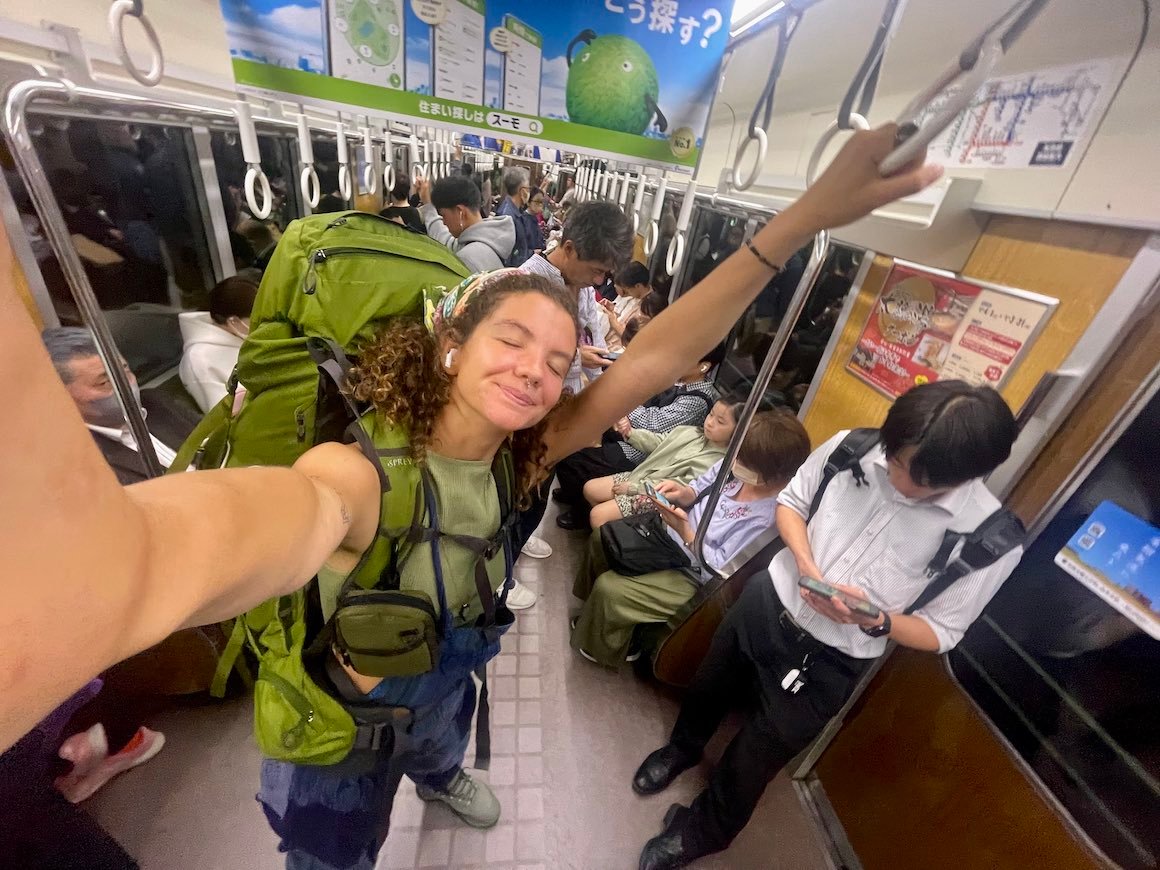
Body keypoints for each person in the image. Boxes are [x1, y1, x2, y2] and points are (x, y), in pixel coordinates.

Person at [0, 123, 942, 777]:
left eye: (559, 359)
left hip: (450, 664)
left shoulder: (524, 456)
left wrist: (799, 221)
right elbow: (230, 534)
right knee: (339, 833)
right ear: (450, 341)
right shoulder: (354, 476)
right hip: (344, 718)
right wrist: (125, 567)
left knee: (443, 745)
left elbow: (659, 353)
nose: (538, 370)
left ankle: (445, 769)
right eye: (511, 342)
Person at [632, 380, 1023, 870]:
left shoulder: (988, 540)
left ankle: (699, 834)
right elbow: (792, 504)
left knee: (756, 759)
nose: (898, 481)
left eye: (920, 482)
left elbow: (943, 630)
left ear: (971, 475)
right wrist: (807, 565)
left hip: (834, 657)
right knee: (710, 685)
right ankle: (681, 749)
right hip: (769, 599)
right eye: (896, 460)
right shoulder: (852, 447)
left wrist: (878, 620)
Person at [572, 408, 811, 667]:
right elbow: (696, 490)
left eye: (745, 461)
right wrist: (680, 493)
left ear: (775, 472)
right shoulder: (734, 466)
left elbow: (717, 570)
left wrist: (686, 533)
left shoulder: (770, 517)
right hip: (670, 536)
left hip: (693, 570)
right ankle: (595, 617)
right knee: (604, 539)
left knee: (612, 589)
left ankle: (611, 645)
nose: (735, 463)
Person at [514, 200, 636, 560]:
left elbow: (594, 341)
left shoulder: (580, 288)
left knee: (539, 484)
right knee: (519, 482)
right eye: (596, 271)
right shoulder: (527, 284)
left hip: (562, 408)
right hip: (528, 410)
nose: (600, 282)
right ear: (568, 249)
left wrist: (605, 402)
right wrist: (575, 356)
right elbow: (520, 356)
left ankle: (520, 536)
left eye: (605, 275)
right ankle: (505, 554)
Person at [554, 342, 727, 531]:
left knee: (574, 458)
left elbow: (653, 423)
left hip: (642, 455)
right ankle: (574, 493)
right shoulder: (683, 383)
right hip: (637, 439)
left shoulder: (697, 401)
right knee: (576, 443)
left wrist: (626, 405)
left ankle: (581, 513)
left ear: (703, 366)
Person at [42, 327, 184, 484]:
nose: (126, 386)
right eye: (105, 382)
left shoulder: (156, 402)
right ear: (61, 396)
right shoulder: (81, 463)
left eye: (125, 372)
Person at [582, 398, 742, 529]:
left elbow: (679, 487)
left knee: (598, 515)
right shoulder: (691, 432)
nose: (710, 422)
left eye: (720, 422)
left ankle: (612, 541)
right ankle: (615, 530)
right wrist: (630, 433)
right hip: (644, 475)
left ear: (738, 430)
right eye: (711, 415)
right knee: (590, 489)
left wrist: (634, 488)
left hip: (658, 497)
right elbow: (660, 441)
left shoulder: (717, 462)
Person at [178, 274, 260, 412]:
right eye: (256, 318)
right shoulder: (199, 360)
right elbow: (224, 417)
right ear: (234, 321)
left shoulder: (243, 338)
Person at [418, 175, 515, 272]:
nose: (444, 222)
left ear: (460, 212)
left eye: (443, 215)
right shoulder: (488, 240)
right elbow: (446, 240)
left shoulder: (468, 259)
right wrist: (427, 205)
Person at [598, 261, 652, 351]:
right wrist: (613, 309)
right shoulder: (635, 297)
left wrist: (613, 321)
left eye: (628, 290)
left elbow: (632, 340)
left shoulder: (648, 308)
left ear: (638, 286)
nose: (627, 293)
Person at [495, 166, 539, 266]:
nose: (529, 191)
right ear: (522, 190)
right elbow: (509, 254)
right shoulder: (508, 216)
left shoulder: (516, 212)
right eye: (528, 188)